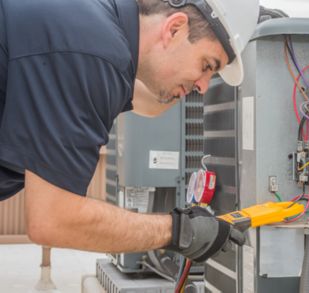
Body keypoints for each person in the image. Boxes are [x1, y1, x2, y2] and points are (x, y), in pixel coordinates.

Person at [0, 0, 259, 262]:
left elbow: (149, 103)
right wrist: (181, 230)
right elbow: (53, 219)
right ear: (175, 28)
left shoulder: (93, 26)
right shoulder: (93, 51)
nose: (203, 86)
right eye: (207, 66)